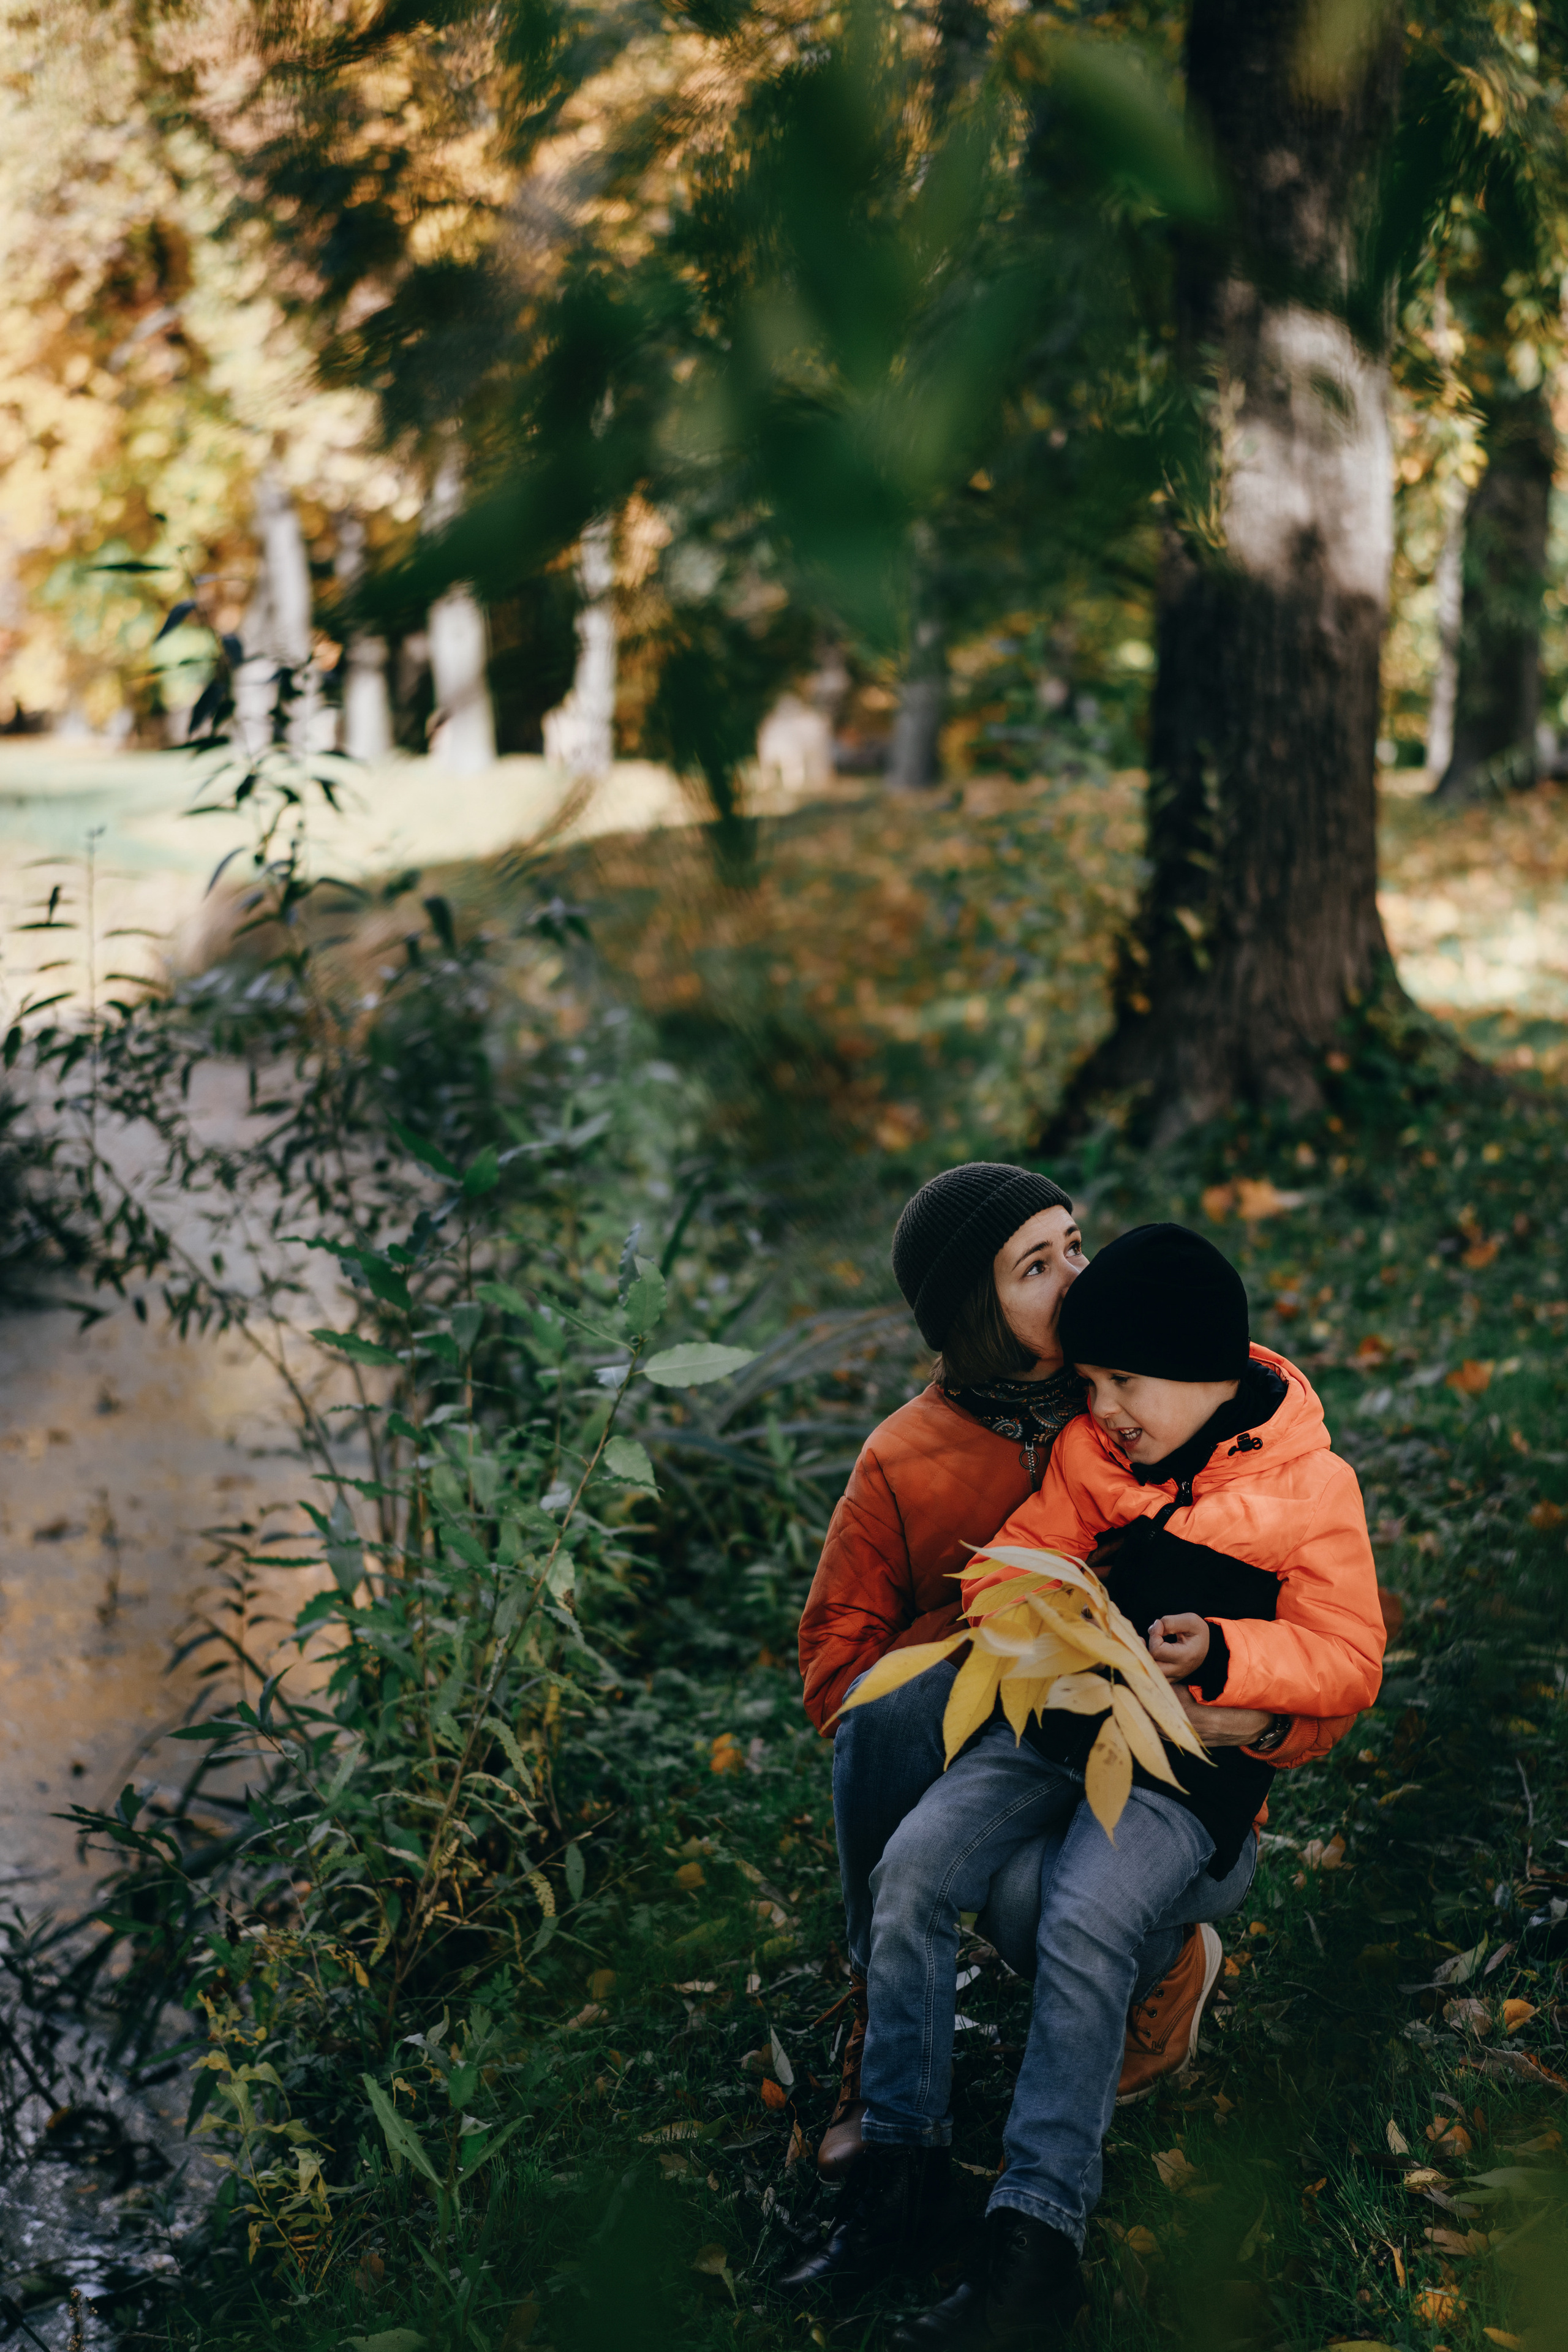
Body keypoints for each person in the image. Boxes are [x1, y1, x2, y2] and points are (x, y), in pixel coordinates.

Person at [816, 1226, 1385, 2351]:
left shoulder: (1308, 1490)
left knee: (1083, 1910)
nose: (1105, 1407)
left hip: (1187, 1775)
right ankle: (903, 2165)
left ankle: (1035, 2241)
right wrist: (1050, 1617)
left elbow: (1350, 1656)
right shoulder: (1094, 1453)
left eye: (1126, 1382)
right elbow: (1012, 1568)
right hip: (1055, 1728)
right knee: (915, 1869)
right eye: (1091, 1383)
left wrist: (1224, 1653)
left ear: (1206, 1369)